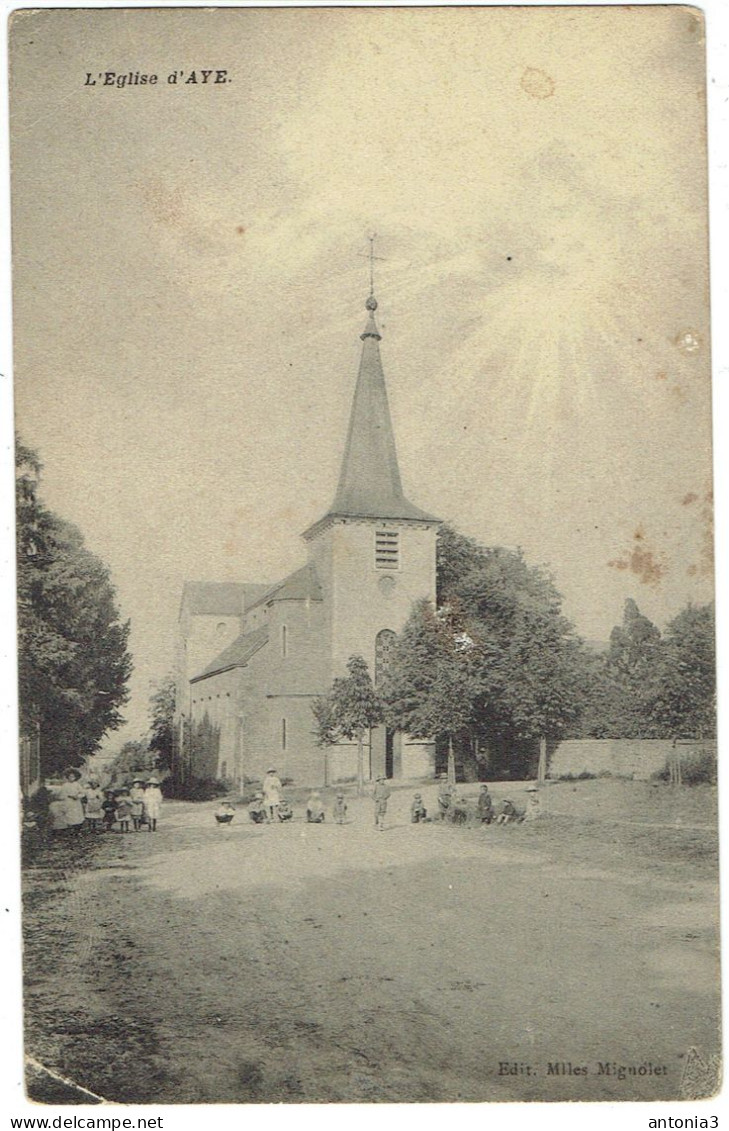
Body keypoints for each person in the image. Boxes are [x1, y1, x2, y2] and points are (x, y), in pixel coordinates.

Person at [49, 768, 86, 836]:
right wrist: (63, 798)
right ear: (67, 777)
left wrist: (77, 796)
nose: (71, 778)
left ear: (76, 777)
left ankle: (77, 831)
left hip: (76, 802)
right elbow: (61, 795)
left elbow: (83, 793)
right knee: (69, 816)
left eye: (73, 777)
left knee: (77, 816)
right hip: (68, 802)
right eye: (70, 777)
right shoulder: (65, 785)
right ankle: (69, 830)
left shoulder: (77, 784)